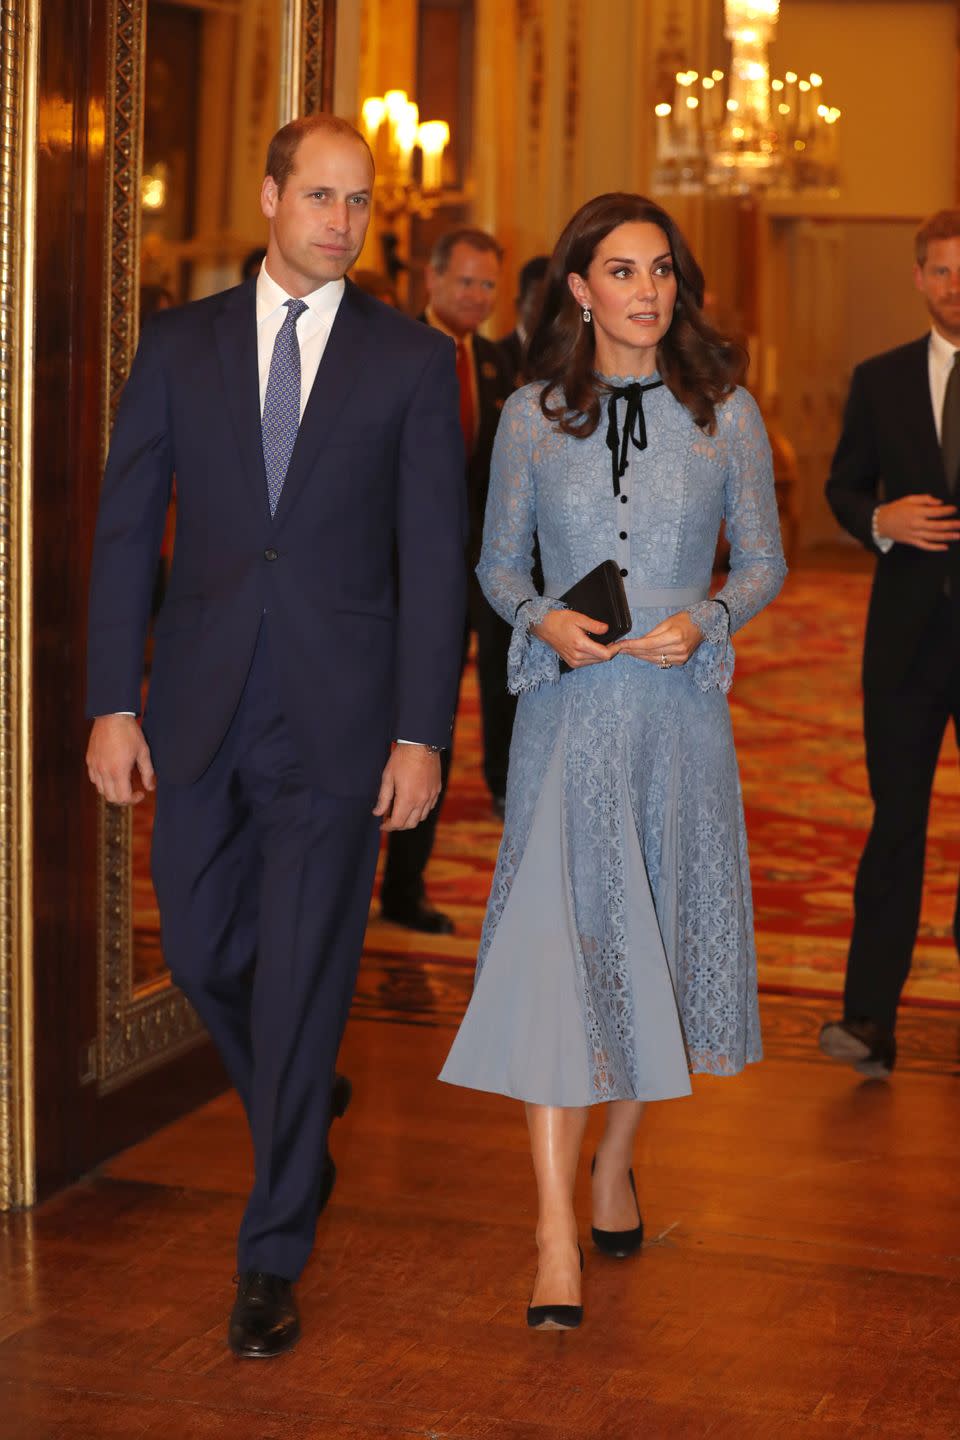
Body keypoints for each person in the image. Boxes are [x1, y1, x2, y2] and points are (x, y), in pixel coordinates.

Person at [85, 114, 466, 1358]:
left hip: (342, 723)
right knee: (199, 950)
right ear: (268, 198)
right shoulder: (183, 345)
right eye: (320, 197)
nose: (341, 223)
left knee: (305, 979)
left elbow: (432, 562)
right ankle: (298, 1110)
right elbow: (126, 527)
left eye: (358, 204)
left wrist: (422, 734)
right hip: (199, 708)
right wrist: (109, 699)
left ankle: (272, 1252)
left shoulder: (408, 364)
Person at [440, 192, 786, 1330]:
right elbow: (494, 567)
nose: (647, 291)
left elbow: (767, 564)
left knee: (661, 950)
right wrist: (539, 617)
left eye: (662, 271)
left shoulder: (725, 413)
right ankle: (553, 1234)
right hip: (570, 721)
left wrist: (715, 620)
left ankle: (613, 1161)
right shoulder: (532, 417)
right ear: (580, 290)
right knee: (558, 954)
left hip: (679, 717)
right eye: (622, 272)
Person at [819, 209, 960, 1079]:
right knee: (896, 828)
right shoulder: (881, 380)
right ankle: (869, 1018)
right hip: (905, 645)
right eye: (941, 271)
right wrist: (879, 518)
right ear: (919, 278)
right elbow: (841, 485)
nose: (955, 286)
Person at [381, 228, 514, 931]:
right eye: (465, 282)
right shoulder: (390, 350)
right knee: (380, 721)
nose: (477, 296)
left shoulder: (499, 365)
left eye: (489, 285)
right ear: (431, 282)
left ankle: (406, 888)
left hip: (482, 573)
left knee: (437, 726)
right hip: (394, 575)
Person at [498, 254, 549, 389]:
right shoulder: (497, 355)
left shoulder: (565, 355)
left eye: (554, 303)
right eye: (538, 302)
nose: (547, 311)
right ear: (519, 304)